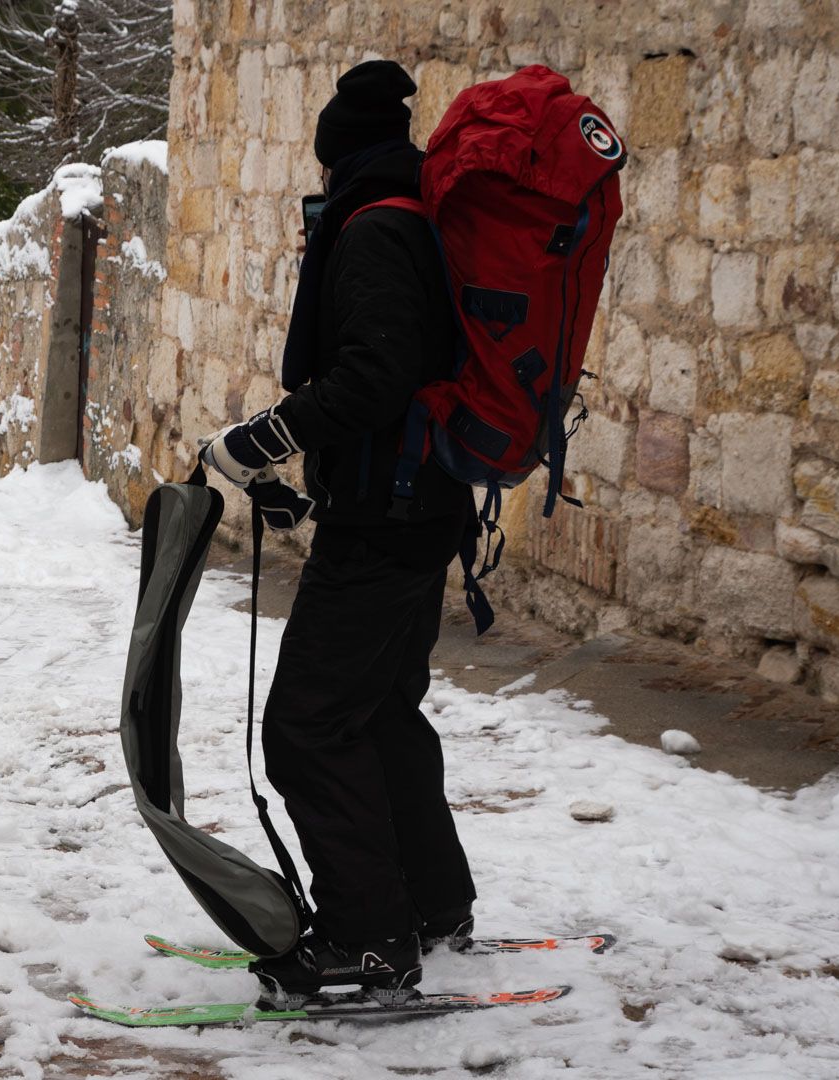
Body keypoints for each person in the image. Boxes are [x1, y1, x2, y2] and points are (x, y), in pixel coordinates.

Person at [198, 59, 477, 1007]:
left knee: (309, 727)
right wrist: (306, 485)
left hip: (389, 523)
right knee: (378, 712)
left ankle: (369, 939)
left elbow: (376, 377)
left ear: (336, 160)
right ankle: (432, 907)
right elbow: (398, 383)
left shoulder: (374, 231)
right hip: (409, 505)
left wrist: (264, 437)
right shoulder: (411, 217)